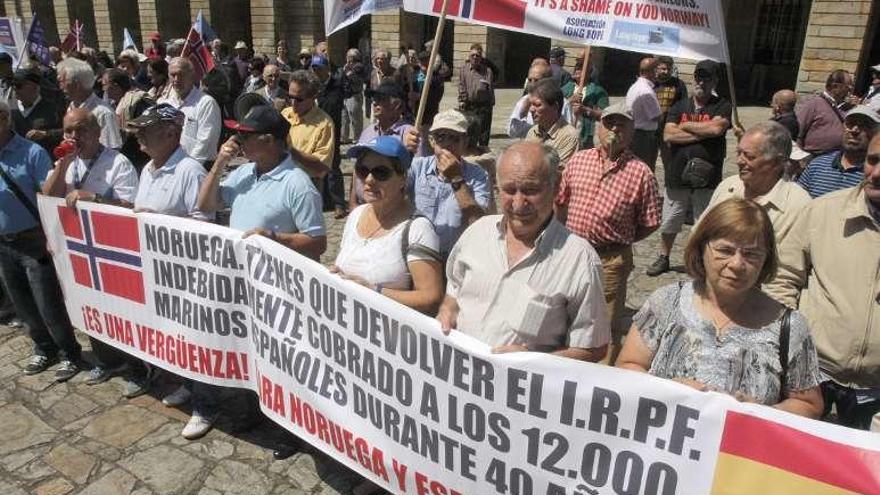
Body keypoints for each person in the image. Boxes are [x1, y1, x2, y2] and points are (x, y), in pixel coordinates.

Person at [617, 199, 824, 418]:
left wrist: (761, 413)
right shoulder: (666, 302)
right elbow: (627, 366)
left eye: (751, 254)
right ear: (701, 248)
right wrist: (669, 391)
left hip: (738, 450)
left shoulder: (789, 326)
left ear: (766, 259)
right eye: (725, 250)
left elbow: (809, 404)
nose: (737, 264)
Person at [438, 141, 610, 361]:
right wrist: (448, 309)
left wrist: (532, 359)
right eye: (509, 190)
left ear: (556, 186)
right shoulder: (476, 234)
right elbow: (453, 291)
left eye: (531, 190)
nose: (519, 204)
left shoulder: (579, 260)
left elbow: (593, 348)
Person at [773, 132, 880, 430]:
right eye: (873, 161)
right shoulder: (824, 211)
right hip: (810, 375)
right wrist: (786, 348)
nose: (877, 173)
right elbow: (783, 277)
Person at [41, 108, 148, 394]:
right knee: (90, 309)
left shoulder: (118, 163)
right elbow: (47, 199)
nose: (75, 137)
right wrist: (62, 165)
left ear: (97, 131)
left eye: (81, 130)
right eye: (69, 131)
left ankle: (139, 368)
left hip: (114, 253)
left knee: (123, 314)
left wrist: (96, 199)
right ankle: (107, 360)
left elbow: (131, 207)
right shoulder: (67, 162)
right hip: (80, 253)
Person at [126, 103, 217, 439]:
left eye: (145, 132)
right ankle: (188, 383)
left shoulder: (190, 171)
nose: (139, 139)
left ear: (170, 134)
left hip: (189, 274)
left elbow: (204, 223)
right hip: (160, 271)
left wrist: (160, 222)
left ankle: (207, 404)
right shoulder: (149, 168)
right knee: (175, 335)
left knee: (197, 337)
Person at [556, 103, 661, 362]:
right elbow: (560, 200)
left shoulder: (641, 173)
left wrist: (622, 238)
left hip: (610, 259)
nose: (614, 129)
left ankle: (600, 376)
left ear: (631, 132)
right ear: (599, 128)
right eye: (609, 123)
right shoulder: (578, 160)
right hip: (572, 252)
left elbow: (651, 221)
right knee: (563, 312)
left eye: (621, 124)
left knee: (605, 325)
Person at [0, 99, 82, 381]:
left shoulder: (31, 153)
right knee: (21, 302)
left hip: (34, 240)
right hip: (3, 243)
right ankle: (43, 347)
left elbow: (50, 196)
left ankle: (69, 353)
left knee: (48, 302)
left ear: (4, 120)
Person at [197, 104, 326, 260]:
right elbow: (205, 205)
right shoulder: (243, 172)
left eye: (244, 136)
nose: (237, 140)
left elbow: (318, 242)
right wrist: (219, 163)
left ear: (269, 141)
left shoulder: (299, 184)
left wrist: (274, 239)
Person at [702, 122, 811, 296]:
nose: (739, 161)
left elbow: (784, 278)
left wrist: (767, 318)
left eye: (749, 156)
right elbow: (700, 238)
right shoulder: (728, 186)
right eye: (739, 153)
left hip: (756, 305)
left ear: (778, 162)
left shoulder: (798, 205)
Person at [335, 136, 443, 311]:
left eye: (381, 173)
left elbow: (430, 297)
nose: (369, 180)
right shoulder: (356, 215)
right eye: (363, 171)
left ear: (403, 179)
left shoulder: (418, 229)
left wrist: (374, 291)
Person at [647, 59, 732, 277]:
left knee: (703, 220)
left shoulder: (722, 105)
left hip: (708, 174)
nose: (701, 82)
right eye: (698, 76)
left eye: (707, 78)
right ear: (693, 78)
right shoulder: (679, 105)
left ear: (715, 81)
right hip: (677, 172)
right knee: (671, 217)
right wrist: (700, 131)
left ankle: (698, 260)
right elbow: (668, 134)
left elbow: (716, 129)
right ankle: (664, 257)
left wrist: (684, 126)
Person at [405, 109, 491, 258]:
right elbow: (392, 191)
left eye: (454, 138)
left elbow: (478, 223)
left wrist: (456, 179)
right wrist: (403, 154)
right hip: (417, 256)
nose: (447, 144)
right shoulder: (416, 167)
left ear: (465, 142)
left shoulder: (478, 175)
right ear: (431, 141)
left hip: (455, 257)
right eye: (441, 137)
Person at [349, 83, 414, 210]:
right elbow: (356, 171)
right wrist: (352, 202)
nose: (374, 103)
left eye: (381, 99)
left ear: (397, 105)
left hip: (390, 209)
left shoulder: (410, 135)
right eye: (374, 99)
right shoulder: (368, 131)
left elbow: (413, 178)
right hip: (362, 207)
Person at [796, 105, 878, 198]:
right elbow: (797, 201)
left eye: (863, 125)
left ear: (876, 133)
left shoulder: (875, 174)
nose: (854, 130)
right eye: (850, 124)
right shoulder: (818, 165)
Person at [159, 58, 222, 167]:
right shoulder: (164, 104)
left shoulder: (206, 103)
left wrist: (186, 168)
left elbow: (205, 143)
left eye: (181, 74)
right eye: (172, 75)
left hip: (199, 167)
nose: (176, 79)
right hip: (169, 166)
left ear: (192, 76)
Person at [310, 55, 349, 218]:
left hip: (332, 130)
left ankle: (339, 203)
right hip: (314, 131)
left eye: (319, 68)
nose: (316, 71)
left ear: (327, 69)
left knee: (333, 166)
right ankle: (324, 200)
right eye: (314, 68)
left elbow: (334, 104)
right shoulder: (312, 87)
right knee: (316, 165)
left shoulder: (336, 85)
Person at [57, 57, 123, 149]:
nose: (60, 87)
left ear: (77, 84)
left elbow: (112, 150)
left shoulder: (103, 113)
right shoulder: (72, 107)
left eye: (62, 81)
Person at [281, 70, 335, 180]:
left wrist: (290, 151)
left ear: (313, 97)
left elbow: (322, 167)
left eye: (299, 99)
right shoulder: (284, 114)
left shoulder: (325, 124)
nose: (293, 103)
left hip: (307, 183)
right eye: (290, 97)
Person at [101, 68, 153, 172]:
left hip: (139, 160)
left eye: (105, 85)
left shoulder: (137, 101)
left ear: (115, 86)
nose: (103, 89)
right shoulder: (112, 105)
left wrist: (126, 131)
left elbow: (151, 129)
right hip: (121, 160)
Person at [797, 69, 857, 156]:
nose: (850, 91)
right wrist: (800, 158)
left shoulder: (847, 108)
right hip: (813, 157)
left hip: (835, 159)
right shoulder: (813, 104)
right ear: (835, 86)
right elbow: (797, 133)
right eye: (848, 87)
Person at [507, 61, 573, 139]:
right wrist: (522, 113)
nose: (532, 84)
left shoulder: (562, 103)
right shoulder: (523, 101)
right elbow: (512, 133)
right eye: (530, 80)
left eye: (536, 80)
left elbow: (567, 132)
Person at [525, 79, 579, 165]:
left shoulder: (569, 136)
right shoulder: (532, 132)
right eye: (531, 104)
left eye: (538, 105)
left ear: (555, 107)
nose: (531, 109)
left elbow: (558, 172)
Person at [11, 68, 63, 154]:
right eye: (13, 85)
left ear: (34, 86)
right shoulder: (11, 108)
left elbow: (65, 132)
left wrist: (45, 134)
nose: (14, 89)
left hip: (45, 159)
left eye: (18, 85)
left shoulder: (52, 108)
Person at [625, 57, 662, 170]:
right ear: (651, 71)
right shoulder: (646, 91)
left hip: (635, 133)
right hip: (643, 137)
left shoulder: (636, 86)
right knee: (645, 168)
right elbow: (656, 117)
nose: (658, 73)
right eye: (657, 69)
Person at [458, 44, 494, 147]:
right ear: (469, 56)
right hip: (469, 105)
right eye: (473, 55)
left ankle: (483, 155)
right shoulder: (463, 70)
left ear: (481, 57)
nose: (475, 57)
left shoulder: (487, 71)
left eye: (477, 55)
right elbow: (461, 86)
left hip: (484, 106)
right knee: (469, 132)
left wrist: (490, 105)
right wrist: (462, 100)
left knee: (484, 135)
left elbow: (490, 89)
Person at [653, 56, 687, 166]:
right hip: (651, 129)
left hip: (669, 128)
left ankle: (669, 182)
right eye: (663, 69)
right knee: (648, 160)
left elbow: (684, 106)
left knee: (669, 161)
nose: (666, 71)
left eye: (668, 69)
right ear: (657, 68)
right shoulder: (651, 83)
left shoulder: (679, 85)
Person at [569, 58, 609, 150]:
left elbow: (605, 114)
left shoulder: (597, 91)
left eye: (580, 68)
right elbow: (556, 106)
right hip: (567, 132)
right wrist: (570, 100)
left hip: (585, 135)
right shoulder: (566, 88)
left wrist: (586, 110)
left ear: (589, 72)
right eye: (576, 67)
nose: (576, 70)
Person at [341, 48, 366, 144]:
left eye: (349, 56)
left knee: (355, 118)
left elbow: (350, 76)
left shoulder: (358, 66)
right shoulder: (347, 66)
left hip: (354, 95)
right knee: (344, 118)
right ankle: (344, 137)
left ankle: (358, 138)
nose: (347, 58)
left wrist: (346, 71)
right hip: (345, 95)